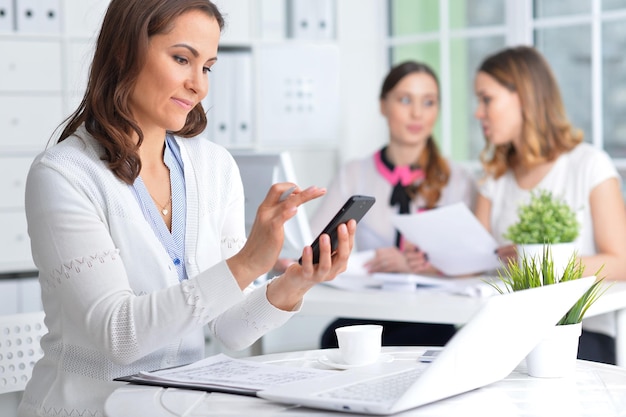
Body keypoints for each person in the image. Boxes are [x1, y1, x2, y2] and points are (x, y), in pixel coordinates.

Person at [18, 1, 356, 416]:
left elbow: (230, 328)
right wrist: (248, 261)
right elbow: (119, 336)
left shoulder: (214, 167)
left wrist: (295, 283)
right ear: (125, 51)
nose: (199, 85)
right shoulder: (64, 175)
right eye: (182, 59)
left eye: (208, 67)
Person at [473, 45, 626, 364]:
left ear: (524, 97)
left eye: (487, 99)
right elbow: (474, 260)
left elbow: (621, 262)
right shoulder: (494, 179)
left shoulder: (589, 166)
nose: (478, 112)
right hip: (507, 332)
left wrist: (538, 263)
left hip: (579, 332)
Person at [314, 61, 477, 348]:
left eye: (428, 102)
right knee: (333, 340)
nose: (417, 113)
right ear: (383, 106)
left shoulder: (459, 180)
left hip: (433, 321)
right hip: (365, 313)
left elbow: (476, 262)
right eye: (405, 100)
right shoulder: (354, 174)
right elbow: (315, 243)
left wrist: (417, 266)